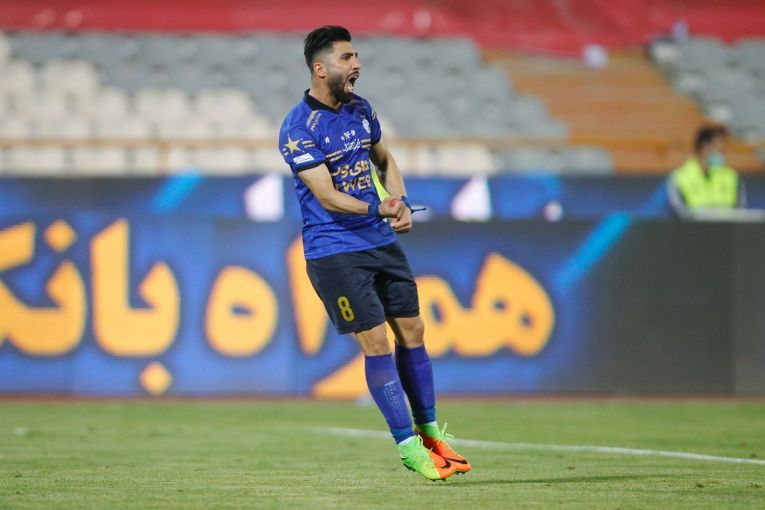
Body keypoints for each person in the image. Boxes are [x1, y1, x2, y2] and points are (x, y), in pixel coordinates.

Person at [279, 26, 470, 481]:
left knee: (413, 330)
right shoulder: (298, 128)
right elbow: (326, 195)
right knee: (377, 343)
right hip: (334, 249)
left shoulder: (361, 110)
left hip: (379, 240)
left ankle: (430, 435)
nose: (357, 64)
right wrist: (376, 208)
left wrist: (398, 202)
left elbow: (384, 160)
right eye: (347, 58)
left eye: (357, 56)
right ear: (320, 68)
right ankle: (408, 448)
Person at [667, 125, 747, 218]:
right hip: (694, 227)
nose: (723, 154)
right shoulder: (679, 178)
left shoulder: (733, 177)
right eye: (720, 150)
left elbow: (741, 211)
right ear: (705, 147)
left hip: (727, 227)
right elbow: (679, 212)